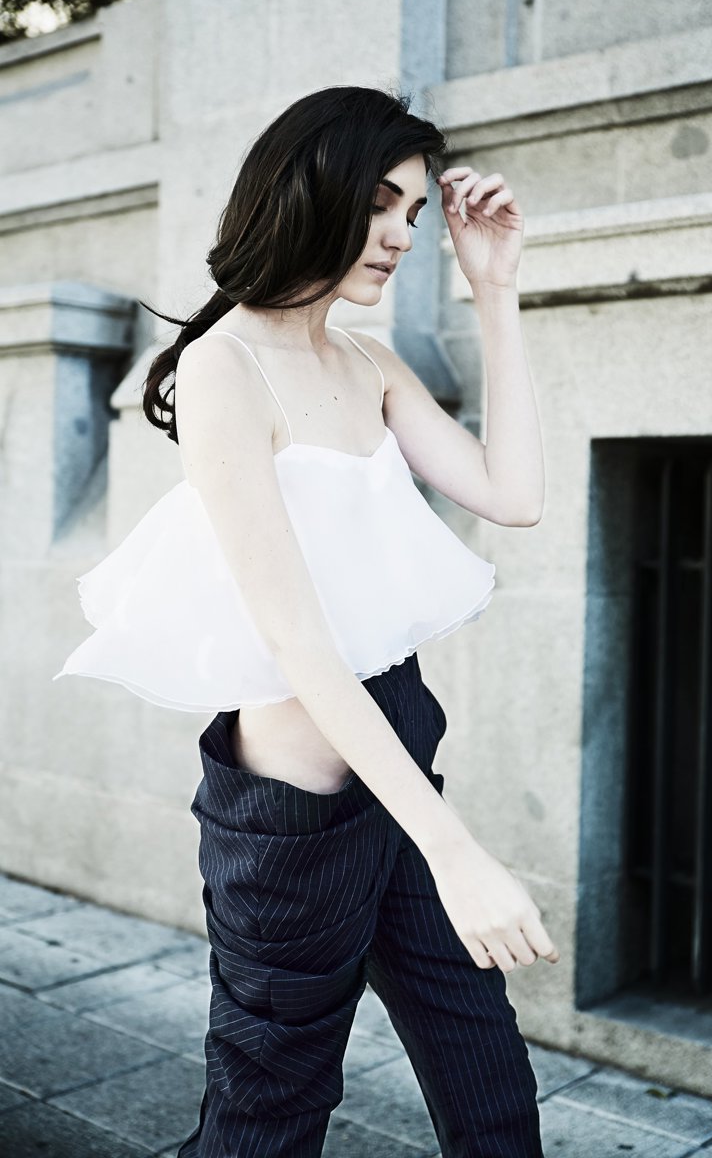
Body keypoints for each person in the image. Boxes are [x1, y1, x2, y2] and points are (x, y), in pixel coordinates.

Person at [53, 85, 558, 1157]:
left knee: (490, 1088)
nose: (401, 234)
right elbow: (295, 642)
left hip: (399, 761)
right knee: (269, 1112)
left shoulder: (370, 364)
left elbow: (513, 495)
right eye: (380, 203)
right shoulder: (223, 367)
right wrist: (457, 852)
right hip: (296, 815)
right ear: (305, 188)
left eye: (413, 213)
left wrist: (496, 292)